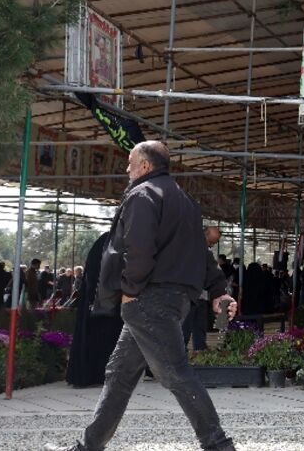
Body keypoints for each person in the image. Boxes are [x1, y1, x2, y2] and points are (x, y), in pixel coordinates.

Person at [45, 141, 238, 451]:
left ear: (146, 166)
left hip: (149, 298)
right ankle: (88, 446)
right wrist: (217, 289)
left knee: (175, 373)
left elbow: (138, 249)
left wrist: (130, 291)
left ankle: (219, 446)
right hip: (171, 299)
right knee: (119, 374)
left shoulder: (143, 195)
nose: (127, 169)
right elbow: (200, 252)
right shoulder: (185, 200)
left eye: (130, 163)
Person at [66, 233, 125, 388]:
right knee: (106, 340)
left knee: (92, 339)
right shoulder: (114, 243)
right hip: (107, 302)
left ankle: (90, 374)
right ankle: (101, 373)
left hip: (97, 301)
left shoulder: (106, 241)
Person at [182, 226, 223, 352]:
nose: (211, 245)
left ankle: (200, 347)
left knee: (200, 322)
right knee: (186, 323)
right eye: (211, 242)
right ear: (204, 235)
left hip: (202, 294)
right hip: (189, 293)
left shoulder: (206, 252)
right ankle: (180, 349)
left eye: (214, 243)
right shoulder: (190, 249)